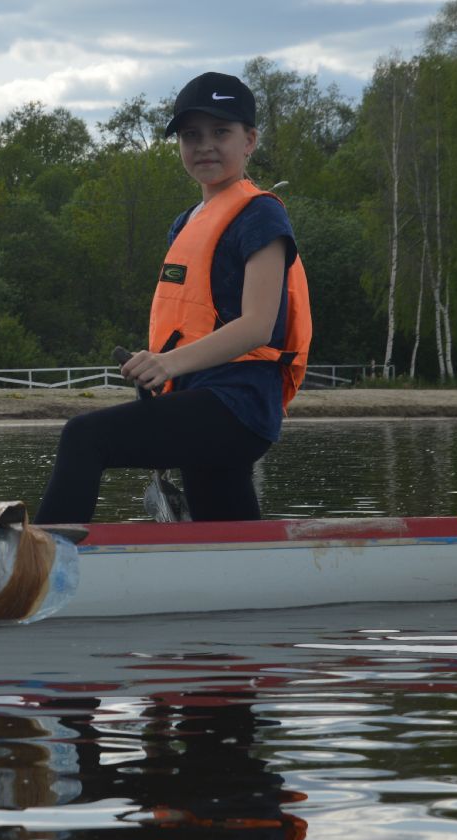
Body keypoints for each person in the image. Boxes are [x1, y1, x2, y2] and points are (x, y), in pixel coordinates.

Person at [35, 71, 311, 524]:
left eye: (220, 132)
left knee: (84, 437)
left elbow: (258, 324)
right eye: (191, 135)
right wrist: (158, 371)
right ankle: (246, 565)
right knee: (225, 530)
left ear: (250, 141)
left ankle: (42, 562)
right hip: (200, 401)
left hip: (237, 405)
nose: (205, 145)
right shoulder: (185, 223)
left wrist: (167, 364)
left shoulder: (261, 214)